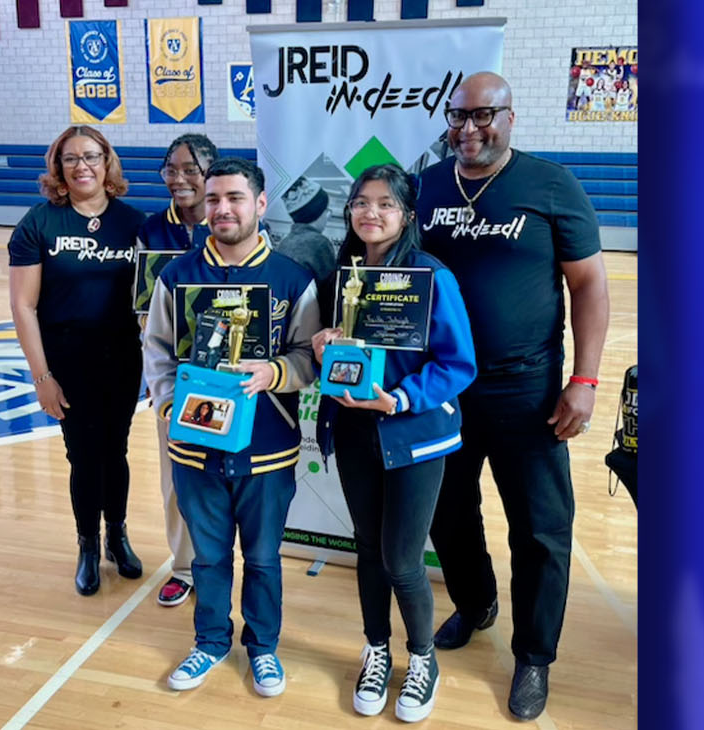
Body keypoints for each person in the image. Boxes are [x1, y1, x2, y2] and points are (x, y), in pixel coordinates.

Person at [416, 72, 610, 721]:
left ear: (510, 116)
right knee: (447, 512)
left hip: (528, 390)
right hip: (445, 384)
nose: (469, 129)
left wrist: (584, 381)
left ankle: (534, 654)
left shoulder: (551, 184)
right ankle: (476, 603)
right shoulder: (429, 184)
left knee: (542, 529)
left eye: (483, 116)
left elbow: (588, 286)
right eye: (459, 116)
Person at [143, 156, 321, 697]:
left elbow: (309, 359)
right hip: (196, 446)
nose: (223, 209)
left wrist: (276, 371)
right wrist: (170, 403)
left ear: (260, 204)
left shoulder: (292, 278)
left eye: (235, 198)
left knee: (264, 558)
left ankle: (262, 648)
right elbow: (156, 350)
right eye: (214, 198)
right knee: (209, 556)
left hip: (267, 447)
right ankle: (211, 642)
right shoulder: (177, 276)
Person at [309, 164, 477, 722]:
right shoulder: (344, 275)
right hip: (356, 433)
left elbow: (459, 364)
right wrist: (323, 344)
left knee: (403, 559)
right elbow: (344, 358)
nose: (370, 213)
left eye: (384, 204)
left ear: (406, 215)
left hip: (413, 435)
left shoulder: (432, 276)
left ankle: (422, 657)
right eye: (360, 202)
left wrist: (398, 400)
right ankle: (376, 648)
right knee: (367, 548)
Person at [8, 125, 148, 597]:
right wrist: (42, 376)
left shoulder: (134, 223)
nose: (82, 165)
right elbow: (23, 306)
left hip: (122, 358)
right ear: (57, 167)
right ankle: (87, 545)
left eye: (91, 156)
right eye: (70, 158)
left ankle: (117, 534)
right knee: (84, 456)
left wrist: (155, 364)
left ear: (107, 162)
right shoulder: (39, 223)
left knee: (117, 451)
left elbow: (150, 304)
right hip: (68, 361)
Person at [137, 133, 219, 608]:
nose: (180, 178)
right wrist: (158, 377)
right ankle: (185, 566)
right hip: (175, 379)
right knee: (176, 478)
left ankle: (238, 564)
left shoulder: (233, 221)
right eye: (172, 168)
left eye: (192, 169)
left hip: (232, 376)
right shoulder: (151, 231)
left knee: (232, 477)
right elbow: (144, 312)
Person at [274, 176, 339, 282]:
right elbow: (330, 287)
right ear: (317, 213)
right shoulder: (319, 243)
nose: (328, 216)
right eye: (326, 210)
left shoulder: (284, 243)